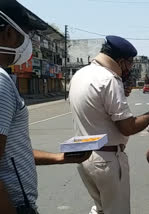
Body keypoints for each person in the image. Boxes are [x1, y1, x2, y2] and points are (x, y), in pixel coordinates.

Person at [0, 1, 90, 213]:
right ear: (10, 34)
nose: (29, 43)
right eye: (28, 36)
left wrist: (59, 158)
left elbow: (10, 153)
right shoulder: (1, 81)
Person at [69, 35, 149, 214]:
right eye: (130, 64)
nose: (130, 69)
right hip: (106, 160)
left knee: (100, 209)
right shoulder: (109, 79)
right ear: (122, 61)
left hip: (84, 156)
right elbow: (128, 127)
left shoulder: (80, 74)